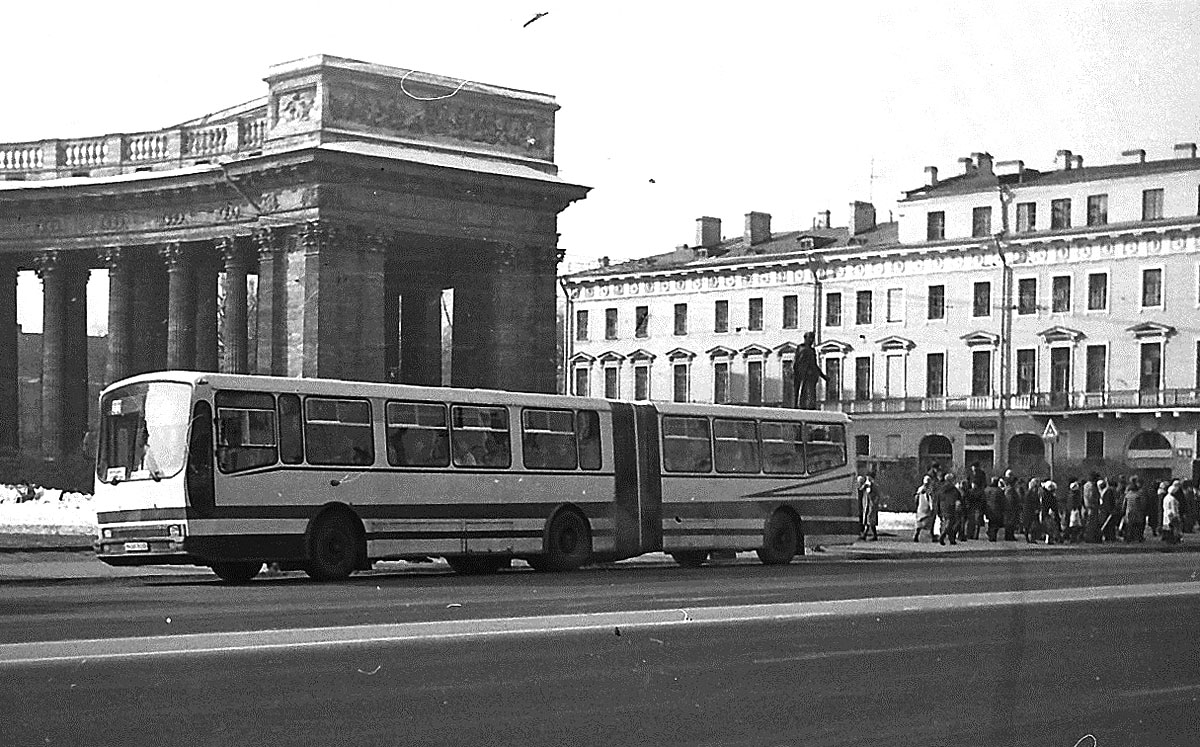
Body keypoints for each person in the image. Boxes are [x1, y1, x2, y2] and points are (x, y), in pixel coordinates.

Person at [792, 331, 829, 409]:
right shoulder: (802, 349)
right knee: (803, 395)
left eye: (813, 338)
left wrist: (823, 376)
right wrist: (797, 374)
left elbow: (814, 365)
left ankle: (809, 408)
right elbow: (797, 363)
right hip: (803, 377)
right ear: (805, 339)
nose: (812, 340)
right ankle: (800, 407)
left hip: (811, 377)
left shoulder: (812, 350)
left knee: (810, 396)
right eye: (810, 338)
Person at [936, 473, 962, 546]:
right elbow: (958, 499)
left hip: (943, 507)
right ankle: (943, 535)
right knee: (951, 523)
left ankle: (951, 539)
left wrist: (938, 510)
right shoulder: (954, 490)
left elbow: (938, 500)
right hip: (951, 507)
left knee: (948, 522)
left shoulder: (941, 489)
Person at [913, 475, 937, 542]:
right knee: (930, 522)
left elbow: (916, 498)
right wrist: (932, 508)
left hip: (921, 508)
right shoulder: (929, 490)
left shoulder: (920, 489)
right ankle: (932, 536)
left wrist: (917, 505)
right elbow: (931, 500)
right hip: (927, 508)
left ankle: (916, 534)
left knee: (919, 522)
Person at [859, 474, 879, 541]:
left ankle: (865, 534)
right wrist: (864, 486)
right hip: (867, 505)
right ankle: (873, 535)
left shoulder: (874, 485)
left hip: (871, 505)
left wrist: (874, 503)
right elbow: (861, 489)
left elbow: (876, 495)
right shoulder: (867, 485)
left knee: (870, 520)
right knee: (868, 520)